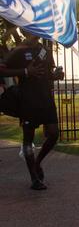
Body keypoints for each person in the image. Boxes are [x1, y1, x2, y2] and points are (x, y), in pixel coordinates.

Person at [0, 33, 63, 190]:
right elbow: (2, 70)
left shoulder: (45, 50)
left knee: (54, 134)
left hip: (46, 99)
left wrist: (55, 75)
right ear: (24, 30)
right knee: (28, 139)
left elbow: (47, 74)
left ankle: (37, 162)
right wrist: (26, 72)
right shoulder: (19, 50)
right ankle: (34, 179)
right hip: (27, 101)